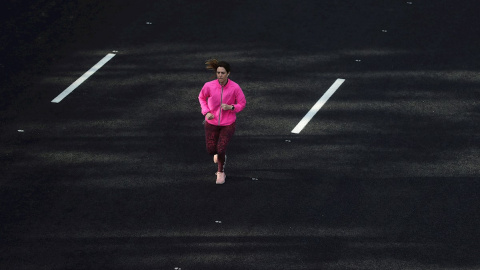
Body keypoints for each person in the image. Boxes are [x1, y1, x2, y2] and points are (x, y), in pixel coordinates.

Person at [198, 59, 246, 184]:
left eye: (223, 73)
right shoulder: (209, 85)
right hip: (211, 123)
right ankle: (219, 155)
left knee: (221, 148)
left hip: (228, 124)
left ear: (228, 73)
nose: (220, 75)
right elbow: (201, 97)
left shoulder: (235, 87)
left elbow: (242, 103)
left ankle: (220, 172)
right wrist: (206, 112)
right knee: (211, 150)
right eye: (218, 72)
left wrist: (231, 107)